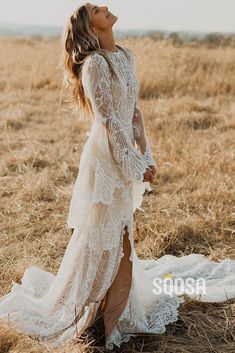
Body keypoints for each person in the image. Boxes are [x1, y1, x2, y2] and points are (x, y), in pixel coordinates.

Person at [0, 2, 235, 352]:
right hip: (106, 159)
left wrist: (147, 156)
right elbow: (109, 123)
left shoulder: (125, 56)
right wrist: (132, 163)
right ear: (90, 26)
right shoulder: (94, 64)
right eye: (97, 8)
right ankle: (91, 319)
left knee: (121, 233)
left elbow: (134, 112)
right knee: (104, 237)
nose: (106, 7)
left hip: (126, 154)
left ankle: (110, 315)